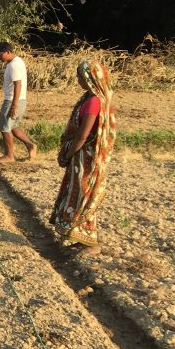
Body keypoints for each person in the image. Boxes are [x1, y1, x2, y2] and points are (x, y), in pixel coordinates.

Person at [50, 59, 116, 255]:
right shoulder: (89, 97)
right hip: (81, 157)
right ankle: (82, 239)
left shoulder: (94, 101)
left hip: (86, 158)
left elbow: (82, 135)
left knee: (84, 196)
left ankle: (91, 243)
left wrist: (69, 153)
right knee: (79, 194)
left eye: (80, 76)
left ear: (90, 78)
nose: (78, 79)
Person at [0, 41, 37, 162]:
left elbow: (18, 84)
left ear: (8, 52)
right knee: (13, 126)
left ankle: (9, 156)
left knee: (4, 128)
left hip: (12, 101)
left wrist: (14, 105)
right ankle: (30, 145)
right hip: (19, 100)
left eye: (0, 54)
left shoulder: (14, 65)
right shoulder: (16, 62)